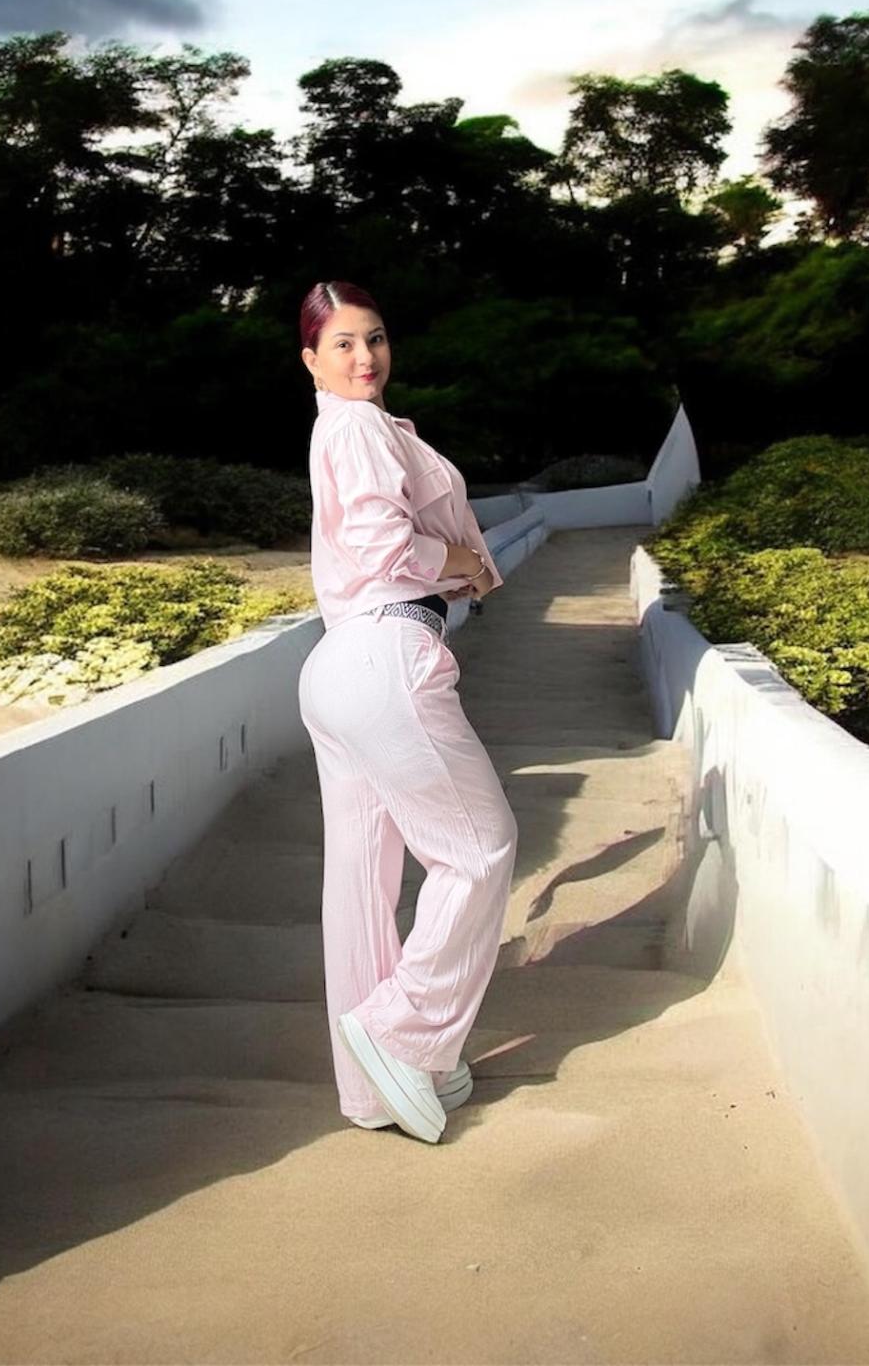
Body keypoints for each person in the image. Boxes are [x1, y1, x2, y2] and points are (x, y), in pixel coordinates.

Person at [295, 279, 520, 1145]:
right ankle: (405, 1028)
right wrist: (465, 559)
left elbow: (377, 546)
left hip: (343, 664)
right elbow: (386, 545)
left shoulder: (358, 428)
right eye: (343, 343)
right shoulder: (355, 427)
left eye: (376, 338)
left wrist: (455, 568)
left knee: (361, 884)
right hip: (385, 654)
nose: (365, 357)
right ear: (311, 360)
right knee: (479, 848)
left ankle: (374, 1087)